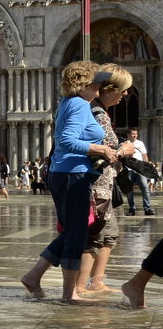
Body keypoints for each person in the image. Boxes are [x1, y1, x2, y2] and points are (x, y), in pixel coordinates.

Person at [20, 62, 129, 302]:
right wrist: (101, 148)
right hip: (73, 173)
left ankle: (34, 277)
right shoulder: (80, 104)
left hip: (65, 172)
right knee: (77, 234)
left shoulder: (70, 102)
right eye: (97, 81)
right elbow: (67, 141)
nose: (100, 85)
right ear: (85, 84)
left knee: (73, 231)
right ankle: (69, 294)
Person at [78, 65, 134, 296]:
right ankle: (80, 287)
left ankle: (96, 282)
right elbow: (100, 149)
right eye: (122, 89)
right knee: (94, 234)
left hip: (106, 184)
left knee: (109, 233)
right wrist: (123, 150)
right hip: (96, 184)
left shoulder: (102, 113)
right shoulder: (96, 114)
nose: (125, 94)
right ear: (106, 89)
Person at [125, 128, 154, 216]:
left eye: (136, 134)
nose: (135, 135)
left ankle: (147, 208)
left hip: (140, 170)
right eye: (133, 134)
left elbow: (144, 155)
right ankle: (132, 209)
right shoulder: (124, 144)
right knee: (129, 191)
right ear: (128, 135)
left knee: (145, 189)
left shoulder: (140, 143)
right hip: (128, 169)